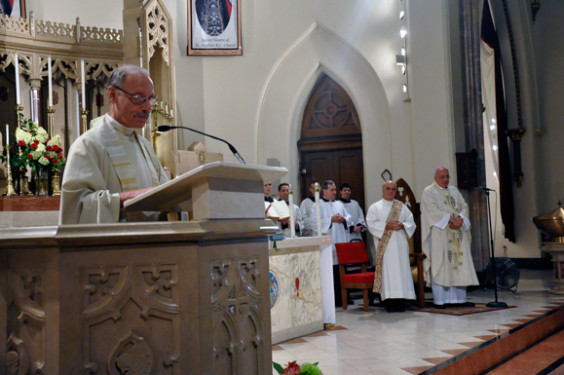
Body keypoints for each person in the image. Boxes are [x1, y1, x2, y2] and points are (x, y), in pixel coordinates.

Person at [60, 65, 169, 224]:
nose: (147, 107)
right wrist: (132, 198)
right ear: (112, 95)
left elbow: (167, 194)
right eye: (138, 98)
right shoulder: (88, 146)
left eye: (150, 99)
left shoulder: (145, 147)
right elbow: (78, 207)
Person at [421, 167, 479, 308]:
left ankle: (460, 300)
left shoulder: (454, 190)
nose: (445, 179)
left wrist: (460, 218)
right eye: (442, 177)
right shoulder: (429, 191)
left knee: (458, 264)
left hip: (457, 233)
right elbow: (432, 211)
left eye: (447, 176)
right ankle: (440, 300)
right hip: (440, 234)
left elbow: (464, 206)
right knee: (441, 265)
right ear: (435, 178)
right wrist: (450, 219)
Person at [366, 181, 416, 312]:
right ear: (382, 190)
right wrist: (386, 226)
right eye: (388, 189)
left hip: (400, 246)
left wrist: (403, 225)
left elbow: (411, 222)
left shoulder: (401, 207)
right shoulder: (375, 207)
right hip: (386, 248)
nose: (390, 191)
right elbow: (371, 224)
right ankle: (388, 302)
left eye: (393, 189)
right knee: (389, 273)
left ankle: (401, 302)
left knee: (401, 273)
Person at [311, 180, 353, 306]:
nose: (335, 192)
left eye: (335, 190)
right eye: (332, 190)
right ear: (324, 191)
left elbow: (349, 218)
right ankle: (333, 299)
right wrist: (331, 220)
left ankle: (345, 297)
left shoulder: (339, 204)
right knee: (330, 271)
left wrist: (343, 219)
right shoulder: (317, 205)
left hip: (340, 241)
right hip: (327, 243)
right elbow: (314, 223)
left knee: (341, 269)